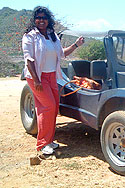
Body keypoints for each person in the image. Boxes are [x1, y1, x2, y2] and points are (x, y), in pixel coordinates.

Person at [22, 6, 84, 155]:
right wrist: (36, 81)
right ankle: (42, 144)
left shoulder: (52, 35)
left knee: (54, 108)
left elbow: (62, 54)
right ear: (34, 20)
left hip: (51, 76)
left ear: (48, 20)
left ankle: (49, 140)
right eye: (38, 18)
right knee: (47, 107)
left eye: (44, 18)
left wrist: (76, 45)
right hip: (37, 76)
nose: (41, 20)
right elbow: (28, 60)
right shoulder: (30, 36)